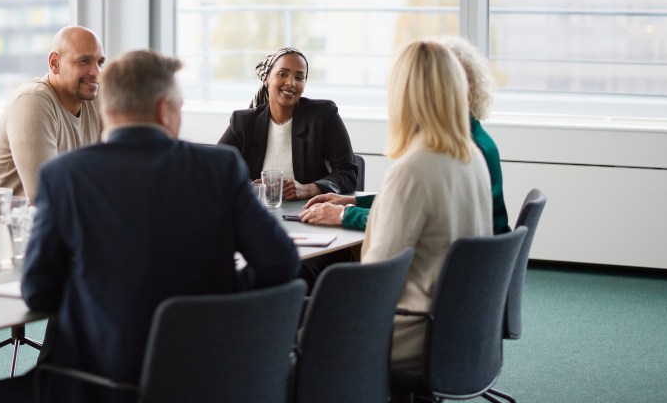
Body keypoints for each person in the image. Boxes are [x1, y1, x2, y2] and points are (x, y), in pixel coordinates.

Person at [0, 50, 300, 402]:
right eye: (180, 107)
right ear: (163, 109)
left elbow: (39, 292)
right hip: (209, 377)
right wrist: (223, 292)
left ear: (107, 109)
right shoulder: (219, 167)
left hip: (101, 383)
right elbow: (281, 263)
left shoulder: (65, 176)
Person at [313, 38, 490, 370]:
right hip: (462, 329)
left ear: (404, 96)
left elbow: (376, 281)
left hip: (411, 330)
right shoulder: (471, 157)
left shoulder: (412, 169)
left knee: (293, 334)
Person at [299, 35, 510, 234]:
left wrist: (345, 214)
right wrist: (354, 202)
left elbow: (403, 221)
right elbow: (415, 204)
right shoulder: (474, 142)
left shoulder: (456, 152)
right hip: (482, 263)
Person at [0, 25, 106, 223]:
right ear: (54, 63)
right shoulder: (32, 100)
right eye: (84, 61)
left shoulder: (95, 100)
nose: (96, 72)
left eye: (100, 62)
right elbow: (45, 196)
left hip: (50, 233)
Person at [217, 46, 358, 200]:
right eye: (283, 74)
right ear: (266, 78)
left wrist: (308, 189)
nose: (291, 83)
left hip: (307, 213)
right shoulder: (244, 121)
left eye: (299, 77)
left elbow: (347, 173)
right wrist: (248, 188)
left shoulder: (323, 115)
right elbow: (214, 169)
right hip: (256, 213)